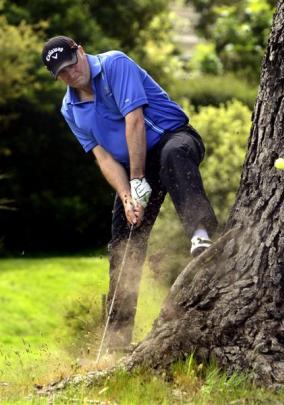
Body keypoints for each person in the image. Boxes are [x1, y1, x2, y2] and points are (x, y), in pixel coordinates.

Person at [41, 35, 218, 349]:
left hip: (172, 139)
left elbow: (134, 121)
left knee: (172, 156)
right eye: (62, 74)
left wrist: (137, 180)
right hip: (135, 167)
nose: (71, 74)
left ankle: (202, 234)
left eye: (71, 65)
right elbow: (103, 157)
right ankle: (116, 339)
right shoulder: (70, 108)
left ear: (80, 52)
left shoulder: (114, 64)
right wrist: (127, 195)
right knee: (125, 240)